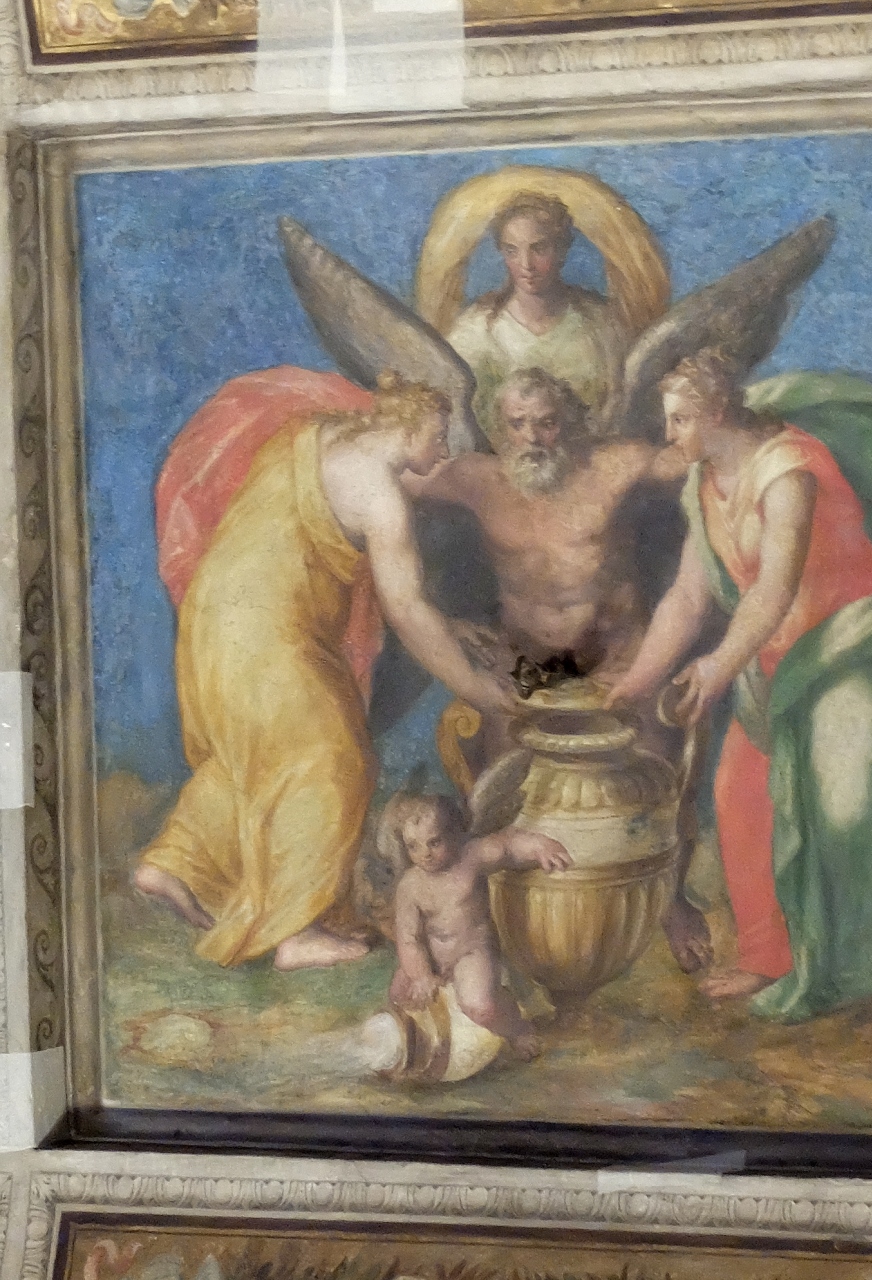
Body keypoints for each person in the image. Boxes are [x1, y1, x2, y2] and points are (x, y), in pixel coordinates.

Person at [606, 350, 872, 1021]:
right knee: (738, 795)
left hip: (847, 647)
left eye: (680, 419)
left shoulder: (787, 471)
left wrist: (717, 666)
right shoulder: (702, 483)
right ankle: (766, 954)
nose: (670, 434)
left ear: (718, 412)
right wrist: (632, 682)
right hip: (772, 659)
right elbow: (686, 599)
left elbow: (774, 589)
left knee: (852, 796)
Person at [134, 372, 514, 972]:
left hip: (216, 622)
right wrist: (481, 693)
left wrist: (453, 628)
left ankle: (175, 865)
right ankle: (294, 931)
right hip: (267, 640)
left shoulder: (317, 432)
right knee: (334, 763)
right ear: (409, 428)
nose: (444, 451)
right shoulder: (380, 498)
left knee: (259, 757)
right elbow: (407, 612)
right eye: (439, 437)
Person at [405, 365, 712, 975]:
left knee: (661, 782)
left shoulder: (613, 464)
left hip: (616, 656)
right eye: (517, 424)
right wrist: (444, 621)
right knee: (498, 793)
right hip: (527, 667)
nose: (532, 437)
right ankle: (492, 919)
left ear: (570, 422)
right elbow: (388, 477)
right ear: (497, 428)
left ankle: (672, 901)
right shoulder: (475, 479)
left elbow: (692, 458)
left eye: (546, 423)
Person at [381, 791, 572, 1060]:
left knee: (481, 1008)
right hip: (430, 957)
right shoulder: (410, 886)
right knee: (400, 997)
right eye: (414, 846)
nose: (425, 854)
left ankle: (517, 1028)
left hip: (471, 951)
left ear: (453, 834)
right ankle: (423, 1047)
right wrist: (422, 975)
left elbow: (507, 845)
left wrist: (540, 846)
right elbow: (408, 939)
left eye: (434, 842)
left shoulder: (471, 857)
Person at [446, 191, 626, 448]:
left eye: (539, 249)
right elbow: (458, 415)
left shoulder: (600, 323)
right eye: (512, 251)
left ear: (561, 250)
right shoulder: (476, 329)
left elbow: (617, 405)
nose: (526, 264)